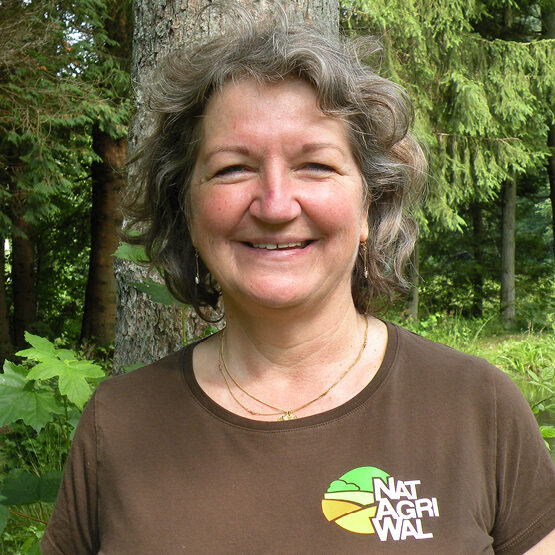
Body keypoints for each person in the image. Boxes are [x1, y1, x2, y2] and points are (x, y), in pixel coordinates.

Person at [41, 8, 555, 554]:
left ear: (369, 205)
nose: (276, 205)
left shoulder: (476, 407)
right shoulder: (117, 423)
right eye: (233, 168)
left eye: (316, 166)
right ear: (186, 209)